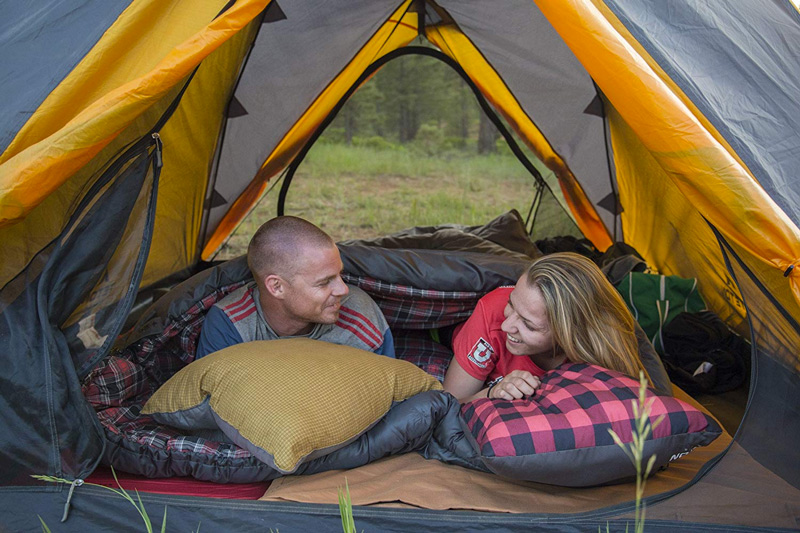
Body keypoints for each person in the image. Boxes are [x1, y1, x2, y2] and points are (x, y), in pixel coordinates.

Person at [443, 252, 651, 402]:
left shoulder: (602, 346)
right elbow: (450, 405)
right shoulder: (493, 312)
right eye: (512, 303)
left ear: (569, 334)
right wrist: (493, 392)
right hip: (453, 332)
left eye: (528, 325)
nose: (507, 325)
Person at [196, 216, 395, 358]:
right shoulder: (231, 324)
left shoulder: (359, 314)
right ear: (276, 287)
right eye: (325, 281)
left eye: (340, 275)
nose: (343, 290)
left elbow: (387, 396)